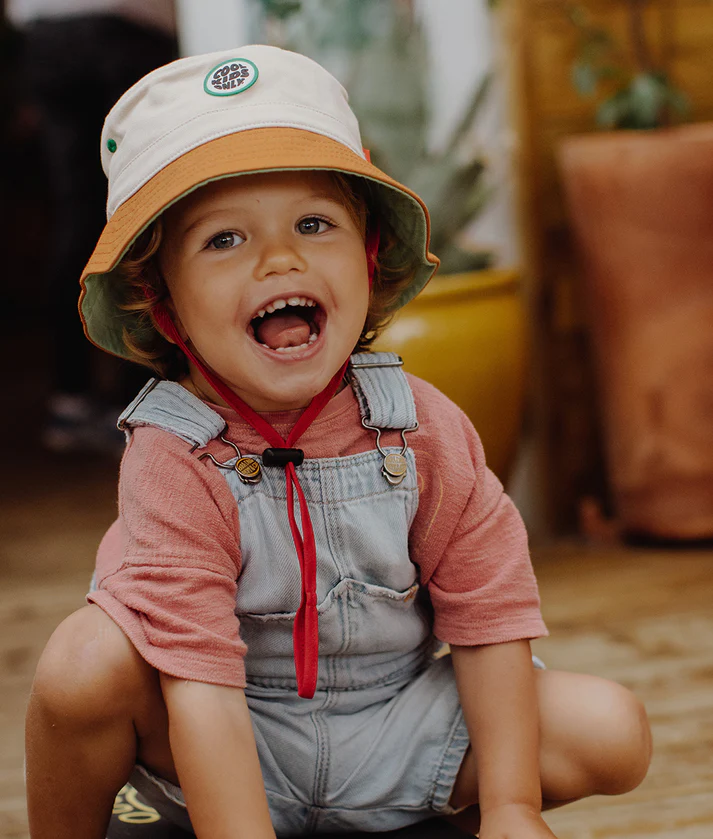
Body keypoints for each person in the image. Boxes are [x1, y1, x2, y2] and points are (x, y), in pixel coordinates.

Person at [24, 45, 652, 839]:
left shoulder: (420, 427)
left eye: (313, 224)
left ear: (368, 254)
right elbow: (200, 686)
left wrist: (511, 806)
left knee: (609, 728)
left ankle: (435, 816)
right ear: (160, 298)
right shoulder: (173, 456)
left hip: (392, 724)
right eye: (223, 240)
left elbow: (488, 616)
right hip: (231, 738)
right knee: (82, 664)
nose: (279, 257)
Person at [5, 0, 177, 453]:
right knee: (138, 210)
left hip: (46, 34)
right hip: (129, 27)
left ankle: (71, 398)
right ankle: (138, 403)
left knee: (75, 215)